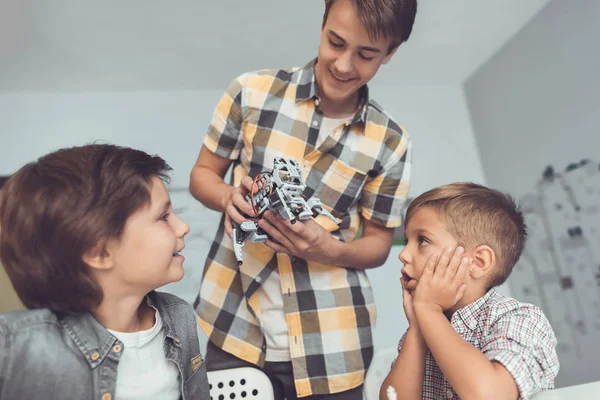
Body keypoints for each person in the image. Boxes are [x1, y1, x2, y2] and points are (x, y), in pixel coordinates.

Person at [189, 0, 417, 398]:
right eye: (335, 42)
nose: (344, 65)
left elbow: (380, 244)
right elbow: (202, 176)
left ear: (392, 53)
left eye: (366, 55)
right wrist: (227, 196)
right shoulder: (251, 92)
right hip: (231, 323)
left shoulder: (391, 143)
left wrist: (329, 249)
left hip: (334, 345)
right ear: (323, 22)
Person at [0, 144, 210, 400]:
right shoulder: (18, 344)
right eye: (163, 217)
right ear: (99, 253)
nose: (183, 226)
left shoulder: (180, 317)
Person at [380, 182, 559, 400]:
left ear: (478, 262)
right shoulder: (422, 328)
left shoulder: (522, 320)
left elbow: (489, 395)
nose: (404, 254)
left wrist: (429, 311)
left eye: (423, 240)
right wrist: (417, 329)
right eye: (407, 241)